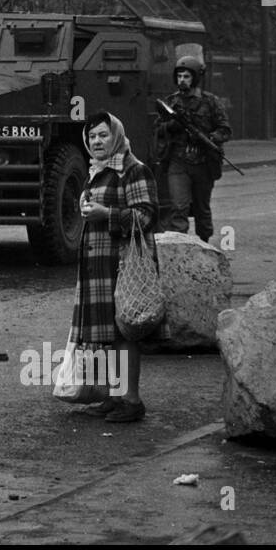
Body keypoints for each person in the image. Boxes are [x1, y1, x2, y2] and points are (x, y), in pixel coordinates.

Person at [70, 111, 161, 423]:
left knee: (125, 332)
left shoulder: (133, 170)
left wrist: (105, 214)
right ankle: (113, 395)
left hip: (123, 264)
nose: (97, 141)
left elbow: (146, 216)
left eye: (103, 135)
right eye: (92, 136)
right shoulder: (97, 170)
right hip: (98, 264)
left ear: (117, 136)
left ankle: (132, 400)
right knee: (107, 333)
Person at [154, 56, 231, 243]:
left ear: (195, 78)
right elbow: (158, 129)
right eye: (179, 76)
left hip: (203, 163)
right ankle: (180, 250)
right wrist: (171, 126)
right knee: (178, 207)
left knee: (202, 209)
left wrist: (209, 138)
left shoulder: (210, 102)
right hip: (178, 162)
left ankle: (205, 245)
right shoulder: (171, 102)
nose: (182, 80)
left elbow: (225, 129)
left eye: (187, 76)